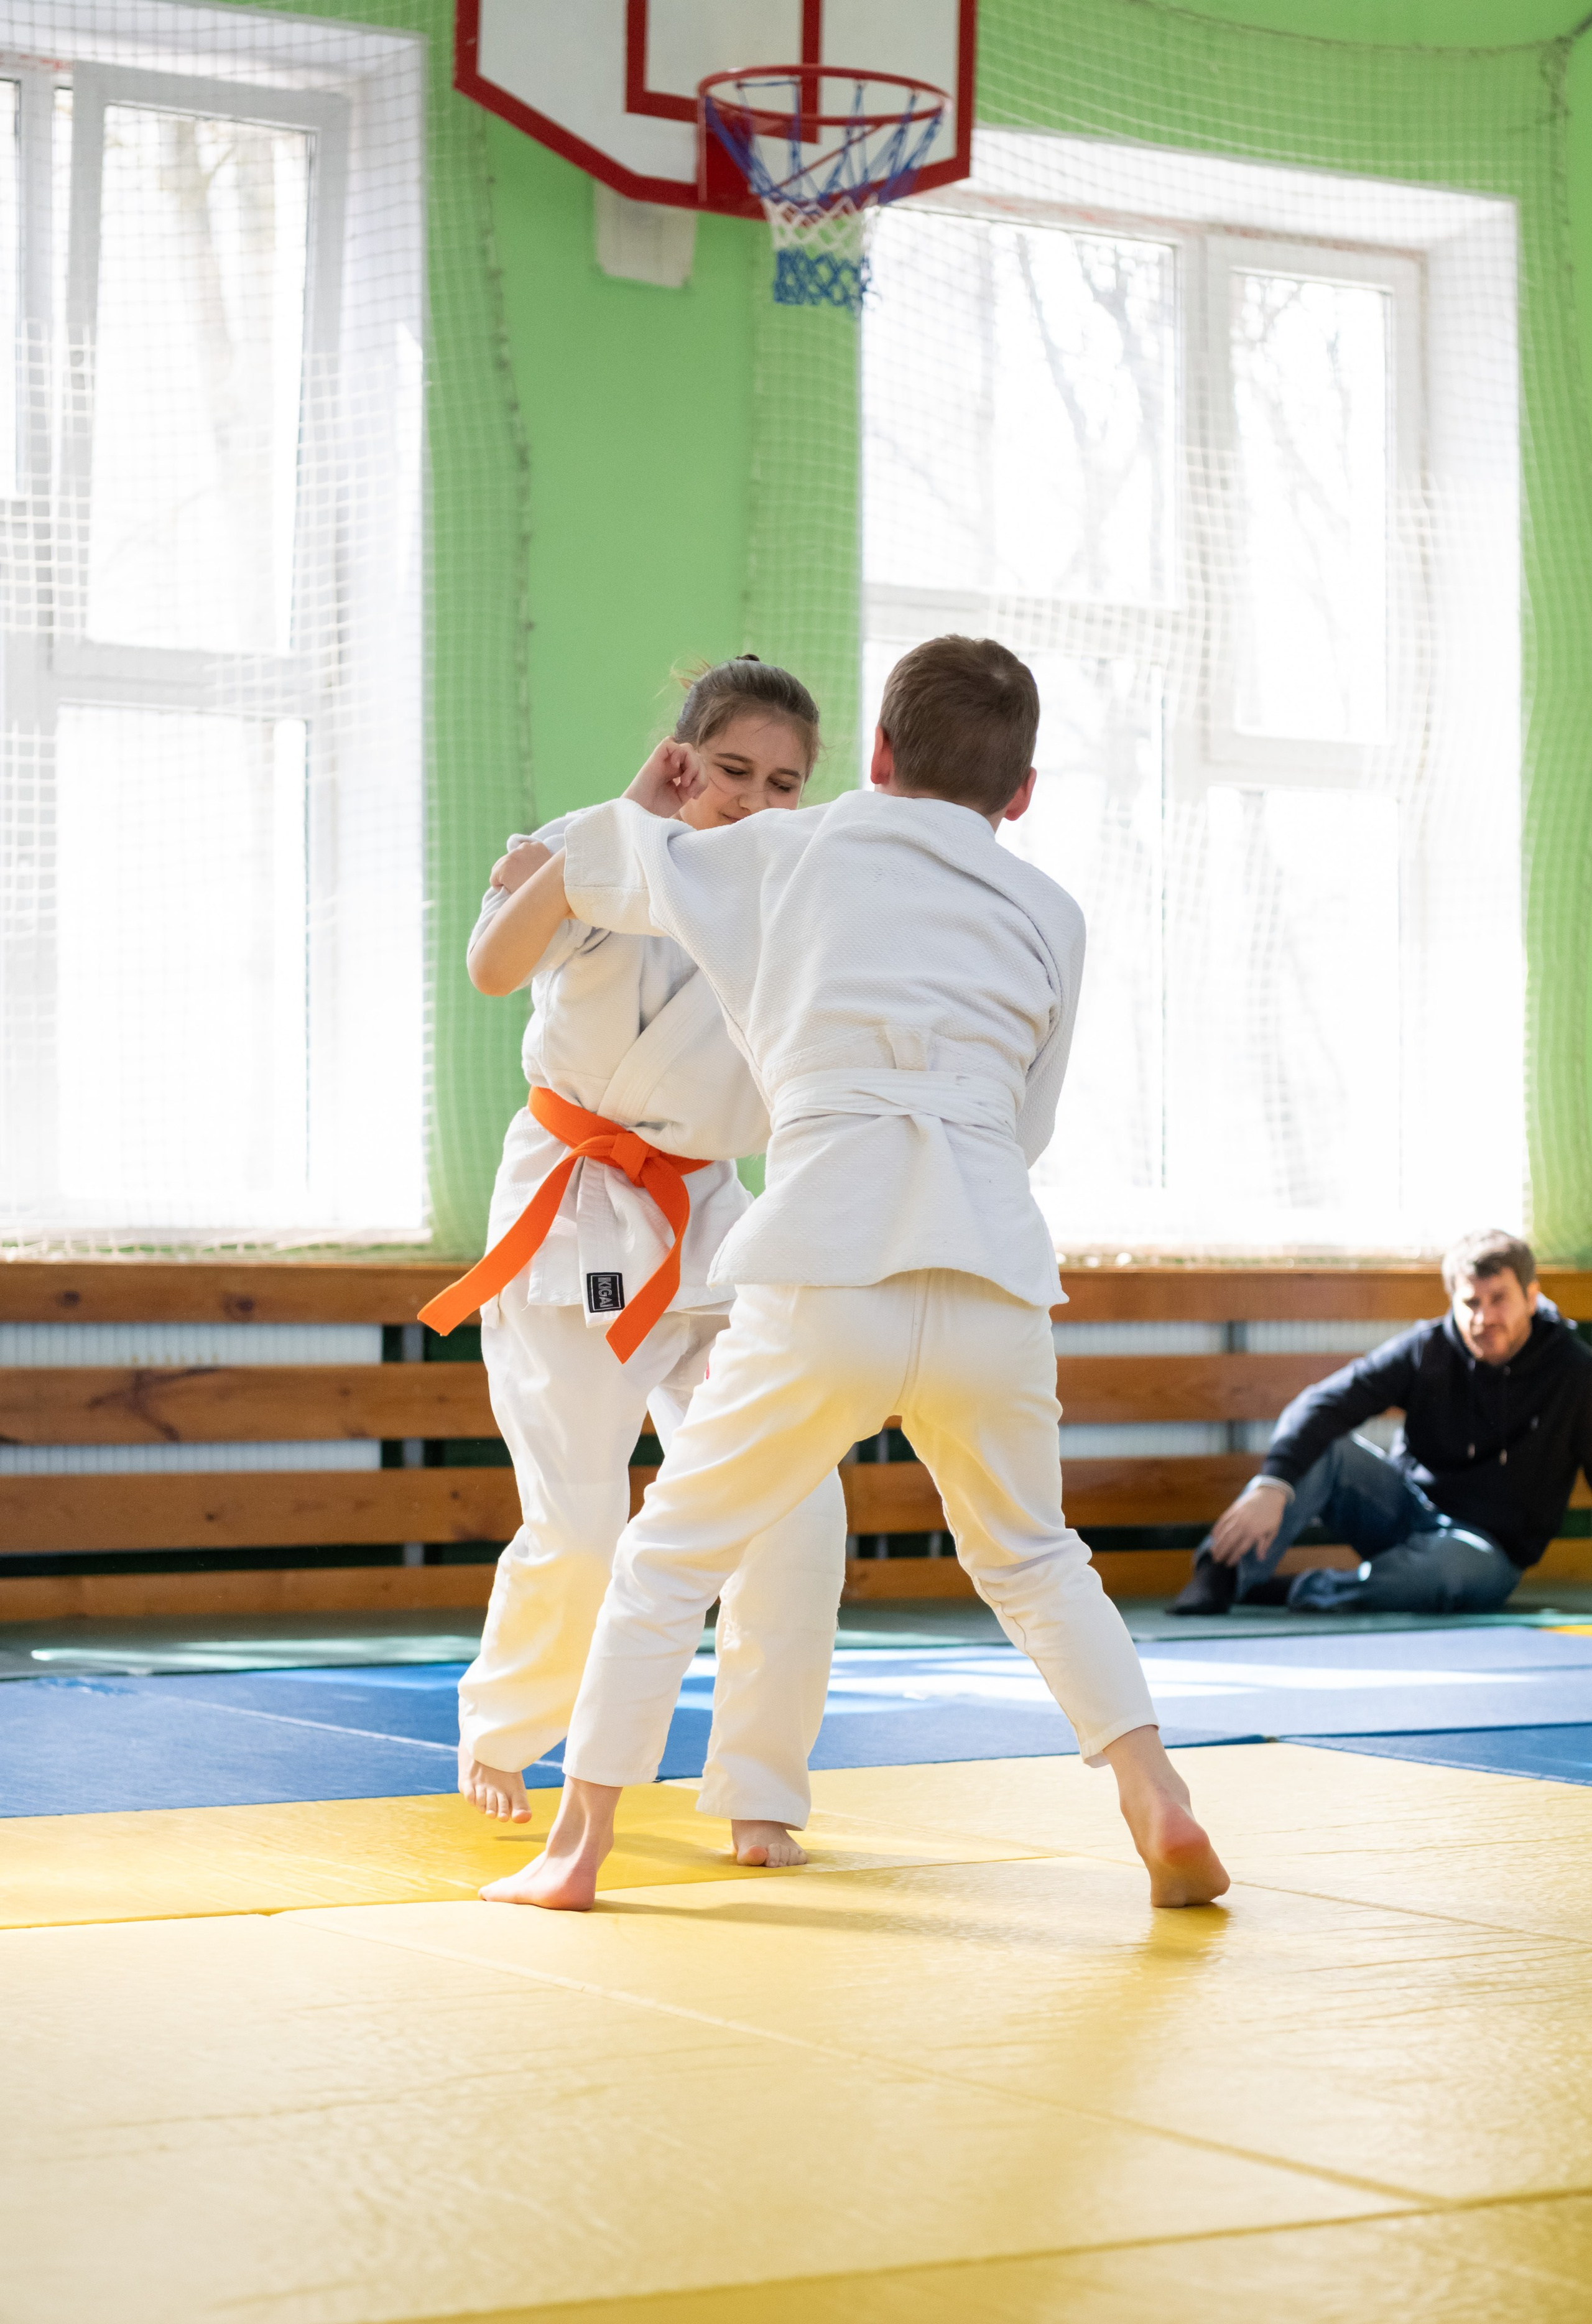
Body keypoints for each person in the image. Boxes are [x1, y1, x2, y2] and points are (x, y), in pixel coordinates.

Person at [471, 633, 1229, 1913]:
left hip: (827, 1259)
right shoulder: (1053, 911)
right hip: (989, 1259)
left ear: (874, 756)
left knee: (670, 1553)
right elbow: (1028, 1122)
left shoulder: (787, 850)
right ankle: (1152, 1788)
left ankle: (579, 1845)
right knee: (1037, 1556)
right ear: (1021, 792)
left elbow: (598, 862)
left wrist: (603, 826)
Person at [426, 657, 848, 1868]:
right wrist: (603, 835)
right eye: (731, 770)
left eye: (782, 783)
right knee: (579, 1522)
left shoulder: (803, 898)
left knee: (792, 1499)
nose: (752, 800)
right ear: (680, 759)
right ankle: (505, 1727)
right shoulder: (598, 842)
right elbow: (491, 969)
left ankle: (759, 1780)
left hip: (712, 1218)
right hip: (573, 1209)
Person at [1170, 1229, 1592, 1617]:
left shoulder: (1574, 1371)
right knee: (1323, 1447)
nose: (1484, 1318)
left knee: (1441, 1572)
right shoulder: (1427, 1348)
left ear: (1531, 1297)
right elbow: (1323, 1403)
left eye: (1499, 1299)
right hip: (1404, 1511)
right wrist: (1272, 1486)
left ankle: (1299, 1590)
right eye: (1471, 1303)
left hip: (1484, 1551)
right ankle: (1221, 1575)